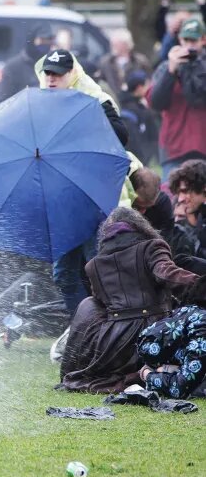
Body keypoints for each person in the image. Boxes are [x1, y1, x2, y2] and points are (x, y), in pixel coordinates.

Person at [59, 208, 198, 393]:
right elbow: (168, 275)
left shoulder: (94, 265)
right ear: (140, 226)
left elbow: (100, 302)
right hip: (154, 336)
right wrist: (200, 284)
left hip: (113, 346)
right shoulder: (152, 247)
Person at [36, 48, 129, 315]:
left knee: (98, 269)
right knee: (63, 273)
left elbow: (121, 135)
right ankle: (84, 330)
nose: (52, 79)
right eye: (48, 73)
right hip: (61, 202)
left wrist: (82, 117)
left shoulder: (94, 99)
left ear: (72, 74)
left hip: (91, 200)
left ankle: (112, 326)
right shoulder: (40, 106)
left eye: (58, 74)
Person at [149, 18, 206, 179]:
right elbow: (156, 103)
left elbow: (197, 98)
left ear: (203, 40)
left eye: (193, 40)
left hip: (203, 145)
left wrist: (192, 67)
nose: (189, 45)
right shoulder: (166, 67)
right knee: (172, 199)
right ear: (180, 39)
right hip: (174, 147)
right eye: (186, 39)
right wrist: (170, 71)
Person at [136, 275, 206, 399]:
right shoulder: (200, 321)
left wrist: (148, 374)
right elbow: (180, 387)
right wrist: (149, 374)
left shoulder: (183, 313)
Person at [131, 167, 198, 258]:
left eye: (147, 207)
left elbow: (166, 237)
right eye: (138, 207)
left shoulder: (163, 203)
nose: (143, 212)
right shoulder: (123, 203)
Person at [0, 24, 56, 104]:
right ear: (32, 40)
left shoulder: (54, 65)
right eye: (42, 40)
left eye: (48, 40)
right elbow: (2, 103)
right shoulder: (13, 67)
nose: (45, 44)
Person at [154, 0, 206, 64]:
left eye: (184, 21)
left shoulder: (198, 39)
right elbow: (159, 24)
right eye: (178, 21)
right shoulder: (169, 38)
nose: (181, 24)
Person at [118, 71, 160, 166]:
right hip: (138, 160)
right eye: (147, 85)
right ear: (139, 88)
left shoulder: (135, 104)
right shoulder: (135, 110)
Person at [98, 29, 151, 98]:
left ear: (126, 44)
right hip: (113, 100)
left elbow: (149, 80)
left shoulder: (140, 61)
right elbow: (100, 83)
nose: (113, 45)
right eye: (113, 43)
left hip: (135, 100)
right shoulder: (105, 62)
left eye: (116, 43)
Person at [168, 159, 206, 252]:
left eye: (185, 191)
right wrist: (178, 225)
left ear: (203, 189)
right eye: (179, 192)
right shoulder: (177, 206)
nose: (181, 198)